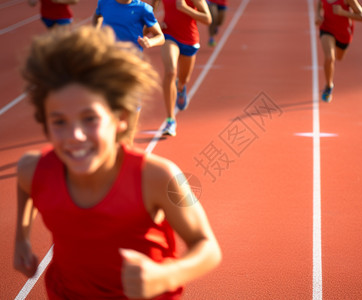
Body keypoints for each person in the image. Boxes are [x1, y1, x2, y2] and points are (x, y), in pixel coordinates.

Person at [13, 26, 221, 299]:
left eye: (90, 119)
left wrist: (165, 276)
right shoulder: (35, 169)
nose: (75, 136)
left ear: (121, 117)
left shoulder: (160, 177)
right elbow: (25, 183)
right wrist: (21, 239)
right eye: (59, 121)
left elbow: (207, 247)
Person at [93, 0, 165, 144]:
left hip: (132, 66)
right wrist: (95, 33)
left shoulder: (143, 9)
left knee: (131, 104)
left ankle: (128, 142)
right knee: (107, 102)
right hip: (109, 63)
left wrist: (150, 42)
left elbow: (160, 36)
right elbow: (97, 16)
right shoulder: (105, 3)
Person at [152, 0, 212, 136]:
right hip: (169, 35)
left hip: (189, 40)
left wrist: (185, 8)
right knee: (170, 71)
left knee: (184, 78)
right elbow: (149, 10)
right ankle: (170, 119)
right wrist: (155, 25)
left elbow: (208, 19)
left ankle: (180, 87)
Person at [315, 0, 362, 102]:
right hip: (327, 29)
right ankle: (329, 85)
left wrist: (343, 13)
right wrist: (318, 15)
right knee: (330, 57)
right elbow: (320, 4)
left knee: (339, 57)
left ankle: (329, 84)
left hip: (343, 34)